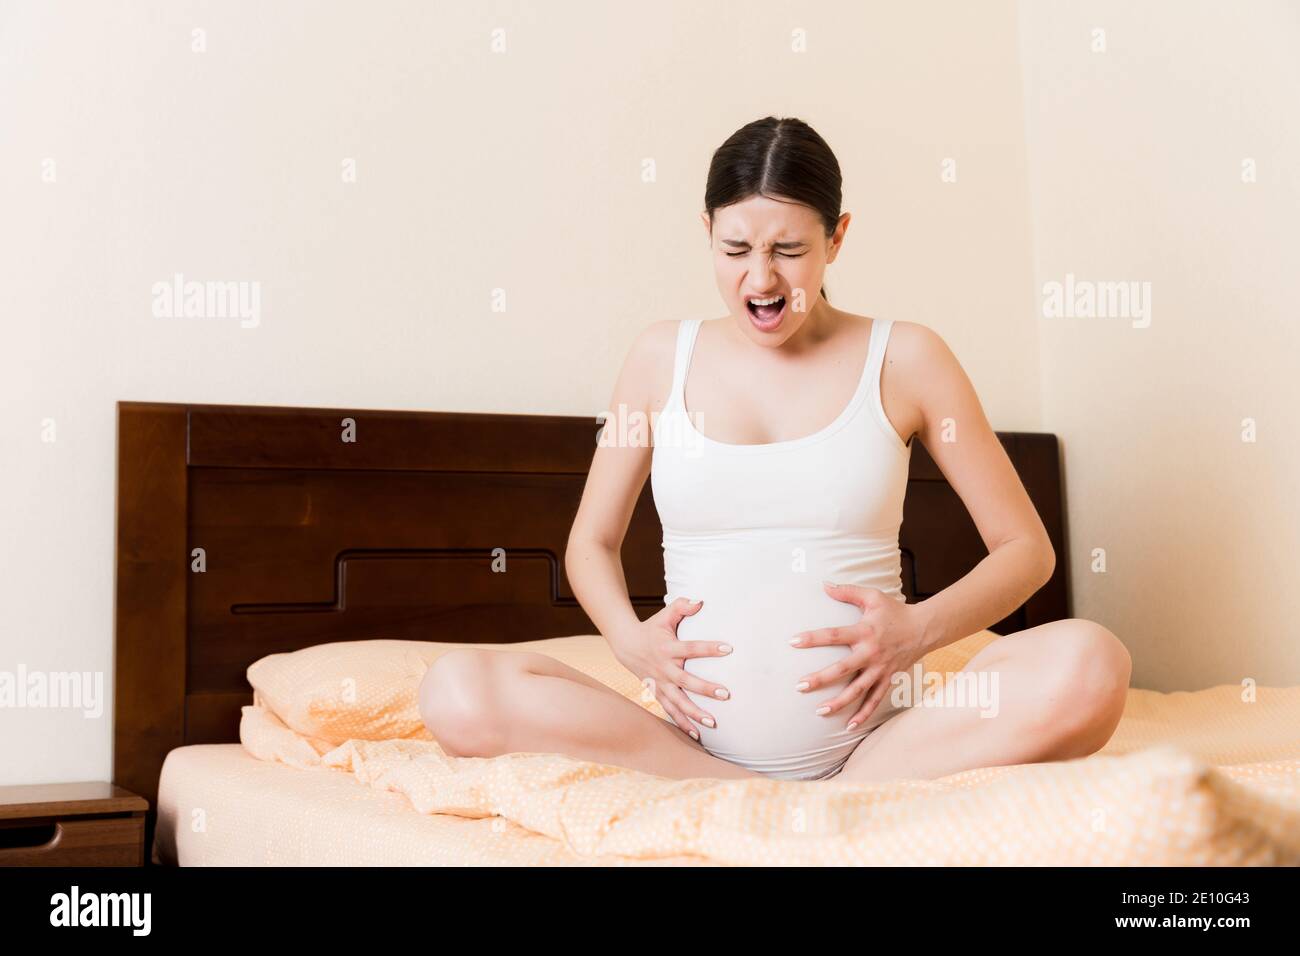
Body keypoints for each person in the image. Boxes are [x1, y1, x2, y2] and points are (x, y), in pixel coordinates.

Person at [420, 116, 1131, 783]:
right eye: (735, 250)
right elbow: (591, 543)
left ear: (838, 237)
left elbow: (1025, 549)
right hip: (686, 751)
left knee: (1092, 663)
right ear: (706, 231)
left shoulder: (906, 358)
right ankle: (734, 790)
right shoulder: (658, 358)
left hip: (879, 751)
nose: (760, 281)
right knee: (455, 692)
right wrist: (629, 642)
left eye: (789, 251)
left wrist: (917, 630)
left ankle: (841, 793)